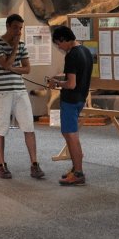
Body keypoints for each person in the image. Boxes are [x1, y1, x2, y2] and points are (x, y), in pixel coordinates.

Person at [0, 13, 44, 180]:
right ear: (7, 26)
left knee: (29, 126)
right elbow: (5, 63)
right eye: (15, 28)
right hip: (2, 91)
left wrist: (12, 68)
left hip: (20, 90)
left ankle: (34, 164)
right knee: (1, 128)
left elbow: (27, 69)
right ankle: (1, 165)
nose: (18, 32)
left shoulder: (22, 45)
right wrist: (13, 50)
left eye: (20, 28)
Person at [48, 26, 93, 186]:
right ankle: (75, 169)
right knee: (71, 134)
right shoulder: (85, 51)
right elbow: (77, 77)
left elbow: (71, 84)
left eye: (58, 44)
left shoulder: (71, 55)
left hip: (70, 100)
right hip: (80, 98)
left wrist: (57, 83)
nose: (59, 47)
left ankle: (78, 173)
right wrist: (60, 79)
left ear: (63, 39)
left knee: (71, 135)